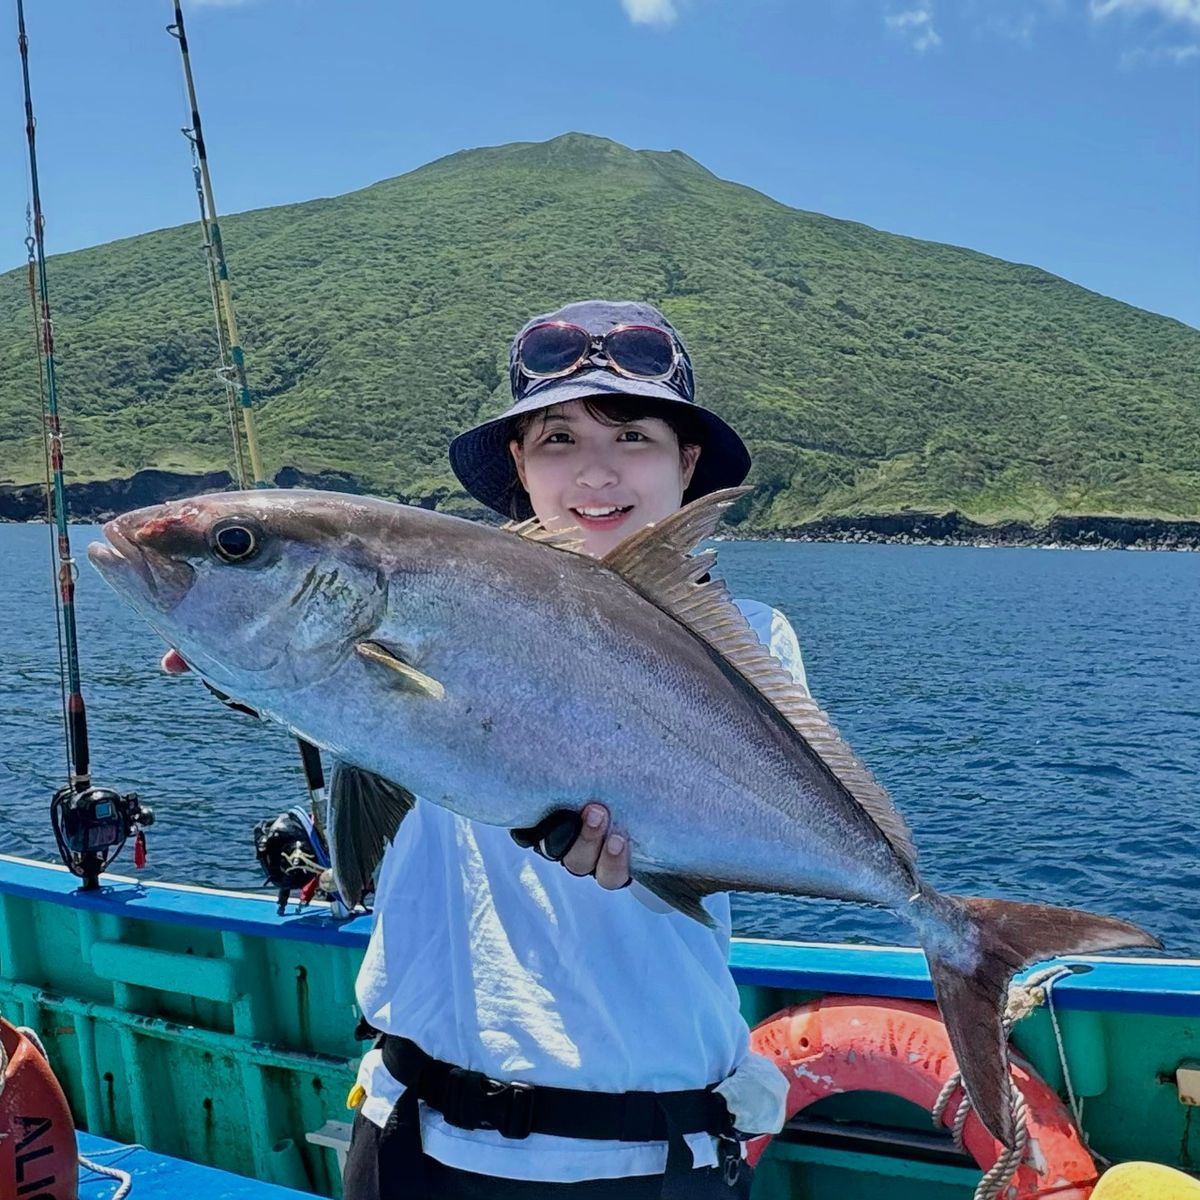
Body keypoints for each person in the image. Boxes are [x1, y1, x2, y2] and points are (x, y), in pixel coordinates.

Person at [165, 299, 808, 1198]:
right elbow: (375, 720)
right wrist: (262, 670)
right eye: (556, 441)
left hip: (644, 1150)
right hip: (406, 1130)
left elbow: (728, 828)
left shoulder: (747, 638)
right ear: (518, 462)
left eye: (633, 438)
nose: (596, 472)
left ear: (686, 461)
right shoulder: (428, 597)